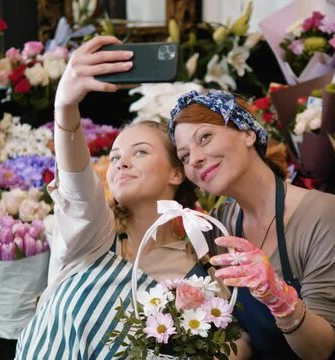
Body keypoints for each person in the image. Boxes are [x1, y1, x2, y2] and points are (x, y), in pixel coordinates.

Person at [15, 36, 207, 359]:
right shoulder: (95, 234)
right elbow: (77, 185)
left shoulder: (197, 265)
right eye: (115, 157)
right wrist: (65, 107)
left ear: (177, 173)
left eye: (140, 152)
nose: (121, 163)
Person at [170, 90, 335, 359]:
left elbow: (319, 349)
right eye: (184, 155)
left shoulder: (320, 213)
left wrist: (280, 299)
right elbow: (243, 338)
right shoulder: (219, 224)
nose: (195, 159)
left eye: (205, 137)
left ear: (248, 133)